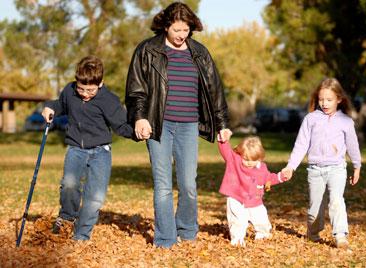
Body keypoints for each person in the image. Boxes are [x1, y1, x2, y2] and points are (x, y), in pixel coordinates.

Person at [125, 2, 230, 248]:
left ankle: (187, 231)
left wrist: (222, 122)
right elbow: (136, 89)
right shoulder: (147, 50)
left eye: (186, 30)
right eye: (177, 30)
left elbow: (215, 90)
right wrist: (140, 117)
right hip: (158, 125)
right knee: (162, 184)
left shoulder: (200, 53)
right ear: (165, 26)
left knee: (188, 184)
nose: (182, 35)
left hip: (188, 125)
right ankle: (165, 239)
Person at [42, 55, 134, 241]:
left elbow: (121, 125)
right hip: (76, 148)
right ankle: (67, 218)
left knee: (95, 196)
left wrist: (138, 132)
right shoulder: (70, 91)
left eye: (90, 90)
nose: (84, 93)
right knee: (69, 184)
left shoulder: (108, 100)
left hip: (101, 152)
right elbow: (60, 105)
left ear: (100, 84)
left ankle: (82, 235)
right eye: (81, 88)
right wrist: (50, 107)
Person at [282, 78, 361, 248]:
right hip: (315, 170)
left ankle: (340, 235)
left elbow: (353, 146)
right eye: (321, 99)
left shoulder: (346, 122)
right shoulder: (311, 119)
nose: (324, 103)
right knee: (315, 207)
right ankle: (313, 232)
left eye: (329, 100)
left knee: (336, 200)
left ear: (339, 99)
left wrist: (357, 166)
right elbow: (301, 144)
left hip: (337, 169)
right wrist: (291, 166)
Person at [217, 130, 288, 246]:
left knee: (262, 219)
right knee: (237, 220)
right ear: (240, 154)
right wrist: (223, 140)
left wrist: (281, 177)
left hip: (255, 199)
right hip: (236, 198)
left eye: (253, 160)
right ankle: (237, 240)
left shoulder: (261, 168)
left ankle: (263, 235)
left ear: (259, 158)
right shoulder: (234, 161)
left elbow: (268, 178)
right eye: (246, 159)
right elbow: (226, 152)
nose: (249, 162)